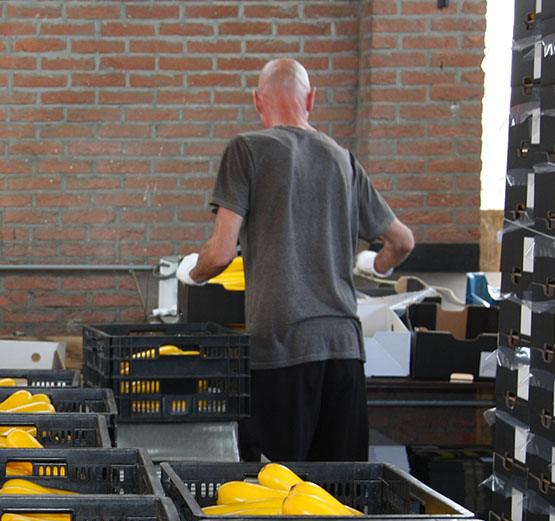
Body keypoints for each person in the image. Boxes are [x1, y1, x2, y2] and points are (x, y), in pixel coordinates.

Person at [176, 58, 415, 462]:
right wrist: (375, 265)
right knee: (339, 498)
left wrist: (192, 273)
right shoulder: (344, 159)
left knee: (276, 494)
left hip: (280, 350)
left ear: (257, 102)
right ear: (312, 98)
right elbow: (403, 241)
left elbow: (219, 254)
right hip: (343, 350)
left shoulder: (247, 150)